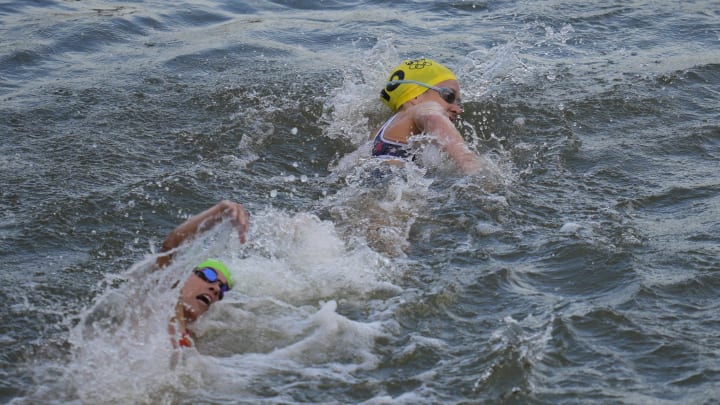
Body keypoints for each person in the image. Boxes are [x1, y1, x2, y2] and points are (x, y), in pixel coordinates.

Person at [155, 200, 250, 348]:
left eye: (223, 288)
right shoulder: (158, 302)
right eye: (209, 276)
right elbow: (171, 245)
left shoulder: (194, 342)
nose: (216, 288)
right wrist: (219, 211)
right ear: (186, 276)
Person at [372, 57, 485, 175]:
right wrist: (471, 166)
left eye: (458, 102)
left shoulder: (379, 133)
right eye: (449, 96)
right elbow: (433, 118)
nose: (458, 109)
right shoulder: (421, 109)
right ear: (415, 96)